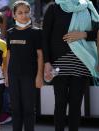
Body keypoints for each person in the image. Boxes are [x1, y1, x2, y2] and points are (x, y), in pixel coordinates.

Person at [42, 0, 99, 131]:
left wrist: (83, 34)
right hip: (58, 64)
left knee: (76, 104)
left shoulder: (88, 7)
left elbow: (97, 32)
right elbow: (45, 36)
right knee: (60, 103)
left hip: (82, 62)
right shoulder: (53, 8)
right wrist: (47, 62)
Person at [5, 1, 43, 131]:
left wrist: (39, 76)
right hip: (13, 75)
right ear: (14, 16)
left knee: (28, 109)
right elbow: (8, 55)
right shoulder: (10, 33)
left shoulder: (36, 32)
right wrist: (6, 74)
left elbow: (40, 55)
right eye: (20, 13)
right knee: (15, 108)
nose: (24, 15)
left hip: (30, 75)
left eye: (26, 12)